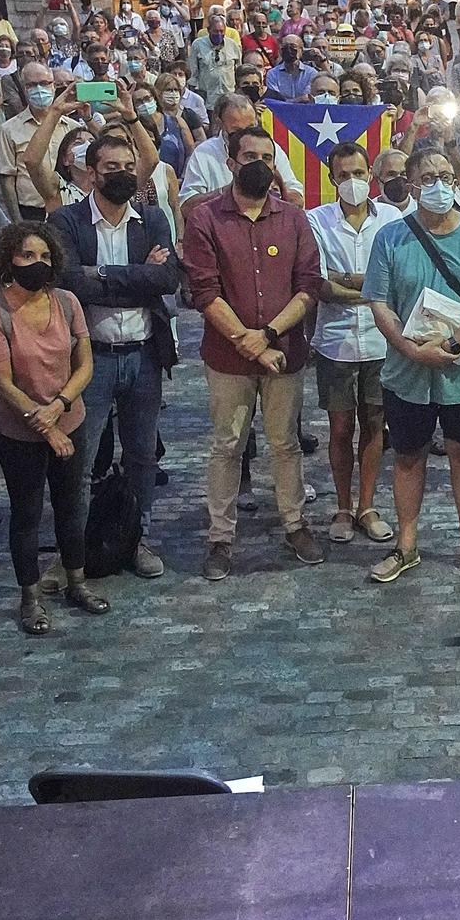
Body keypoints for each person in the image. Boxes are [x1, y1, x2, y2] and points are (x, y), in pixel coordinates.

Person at [182, 123, 325, 579]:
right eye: (249, 157)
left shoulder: (294, 219)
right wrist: (248, 340)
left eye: (267, 158)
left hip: (283, 352)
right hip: (227, 359)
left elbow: (308, 285)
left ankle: (295, 524)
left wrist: (266, 335)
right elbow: (204, 292)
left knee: (286, 445)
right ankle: (221, 538)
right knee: (228, 445)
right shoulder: (205, 219)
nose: (259, 166)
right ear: (230, 162)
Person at [362, 146, 460, 582]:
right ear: (410, 184)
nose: (439, 185)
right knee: (408, 457)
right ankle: (405, 545)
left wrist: (452, 343)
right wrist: (410, 350)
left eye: (445, 176)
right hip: (408, 372)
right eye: (428, 178)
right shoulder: (391, 237)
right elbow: (380, 302)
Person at [49, 126, 180, 578]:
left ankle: (134, 538)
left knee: (142, 456)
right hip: (92, 359)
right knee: (82, 463)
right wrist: (135, 275)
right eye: (111, 168)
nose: (121, 174)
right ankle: (77, 555)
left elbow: (167, 281)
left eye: (128, 167)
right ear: (91, 173)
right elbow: (69, 282)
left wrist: (103, 276)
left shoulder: (153, 219)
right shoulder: (65, 221)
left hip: (144, 355)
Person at [0, 222, 110, 632]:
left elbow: (85, 364)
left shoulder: (67, 302)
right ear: (9, 259)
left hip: (67, 418)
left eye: (43, 256)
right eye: (27, 256)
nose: (36, 264)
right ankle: (30, 598)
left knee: (70, 507)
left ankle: (77, 582)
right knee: (26, 514)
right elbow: (2, 382)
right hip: (19, 432)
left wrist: (60, 406)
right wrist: (46, 426)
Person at [308, 140, 401, 546]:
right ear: (332, 179)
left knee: (375, 425)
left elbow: (398, 279)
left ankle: (367, 505)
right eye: (343, 175)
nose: (352, 181)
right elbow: (320, 284)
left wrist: (348, 278)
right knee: (341, 427)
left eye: (359, 174)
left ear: (371, 175)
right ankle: (343, 507)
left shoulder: (393, 218)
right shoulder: (316, 221)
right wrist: (371, 285)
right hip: (336, 342)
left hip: (384, 341)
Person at [179, 91, 304, 217]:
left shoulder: (270, 150)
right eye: (236, 132)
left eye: (251, 129)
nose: (246, 139)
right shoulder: (204, 154)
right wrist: (229, 192)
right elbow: (186, 207)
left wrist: (276, 190)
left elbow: (298, 200)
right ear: (220, 124)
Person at [0, 65, 84, 223]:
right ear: (24, 88)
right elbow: (7, 179)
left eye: (44, 83)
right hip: (31, 212)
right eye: (31, 85)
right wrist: (17, 221)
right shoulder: (9, 129)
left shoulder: (73, 127)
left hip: (68, 208)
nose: (38, 89)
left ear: (53, 85)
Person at [187, 5, 241, 108]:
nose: (219, 34)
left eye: (222, 31)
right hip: (207, 99)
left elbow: (238, 69)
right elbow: (193, 73)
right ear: (209, 30)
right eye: (216, 31)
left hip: (228, 98)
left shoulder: (233, 45)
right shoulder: (197, 45)